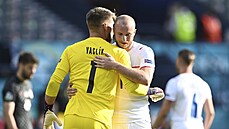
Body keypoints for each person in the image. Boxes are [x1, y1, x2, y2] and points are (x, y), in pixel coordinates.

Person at [43, 7, 157, 129]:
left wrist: (48, 109)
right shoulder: (117, 53)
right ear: (105, 27)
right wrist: (150, 91)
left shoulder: (71, 50)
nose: (113, 32)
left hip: (72, 116)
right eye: (113, 28)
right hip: (99, 119)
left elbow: (54, 82)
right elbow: (132, 88)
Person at [67, 15, 164, 129]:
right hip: (112, 118)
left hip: (137, 117)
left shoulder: (144, 51)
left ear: (135, 32)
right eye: (120, 34)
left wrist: (115, 66)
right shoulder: (106, 50)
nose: (124, 39)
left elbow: (145, 78)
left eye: (128, 35)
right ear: (113, 31)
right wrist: (72, 87)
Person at [152, 49, 215, 129]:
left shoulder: (175, 82)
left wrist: (154, 127)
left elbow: (164, 112)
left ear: (178, 61)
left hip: (180, 126)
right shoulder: (203, 84)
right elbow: (211, 113)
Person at [2, 52, 39, 129]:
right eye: (30, 67)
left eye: (35, 68)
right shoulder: (12, 85)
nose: (33, 71)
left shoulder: (28, 84)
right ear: (21, 65)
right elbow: (8, 113)